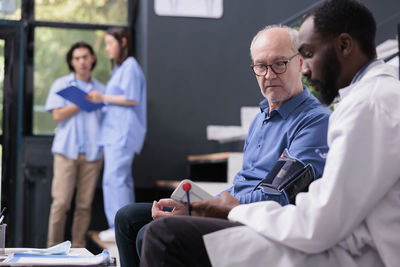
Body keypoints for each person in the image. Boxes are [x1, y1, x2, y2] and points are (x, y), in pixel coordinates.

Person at [140, 0, 400, 266]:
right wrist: (218, 206)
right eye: (260, 66)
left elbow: (316, 223)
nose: (306, 68)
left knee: (164, 236)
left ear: (344, 46)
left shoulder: (367, 106)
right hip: (330, 234)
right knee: (139, 221)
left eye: (307, 55)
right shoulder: (368, 98)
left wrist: (236, 210)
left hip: (350, 251)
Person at [115, 25, 331, 267]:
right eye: (261, 66)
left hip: (259, 221)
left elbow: (278, 195)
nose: (269, 75)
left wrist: (204, 209)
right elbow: (243, 182)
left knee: (153, 233)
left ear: (300, 63)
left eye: (279, 63)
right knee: (128, 218)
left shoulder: (315, 121)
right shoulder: (261, 117)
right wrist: (197, 206)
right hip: (233, 209)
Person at [86, 27, 147, 242]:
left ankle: (117, 225)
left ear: (123, 42)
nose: (107, 49)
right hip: (114, 133)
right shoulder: (120, 70)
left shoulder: (130, 67)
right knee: (119, 180)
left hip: (122, 134)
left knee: (116, 180)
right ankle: (122, 224)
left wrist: (102, 97)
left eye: (110, 44)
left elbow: (131, 99)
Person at [46, 42, 104, 248]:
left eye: (85, 57)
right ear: (72, 61)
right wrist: (80, 102)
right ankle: (53, 248)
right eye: (77, 58)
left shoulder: (101, 90)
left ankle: (78, 250)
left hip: (92, 155)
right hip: (65, 153)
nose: (82, 62)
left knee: (84, 206)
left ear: (92, 59)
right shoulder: (61, 85)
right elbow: (57, 115)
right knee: (60, 204)